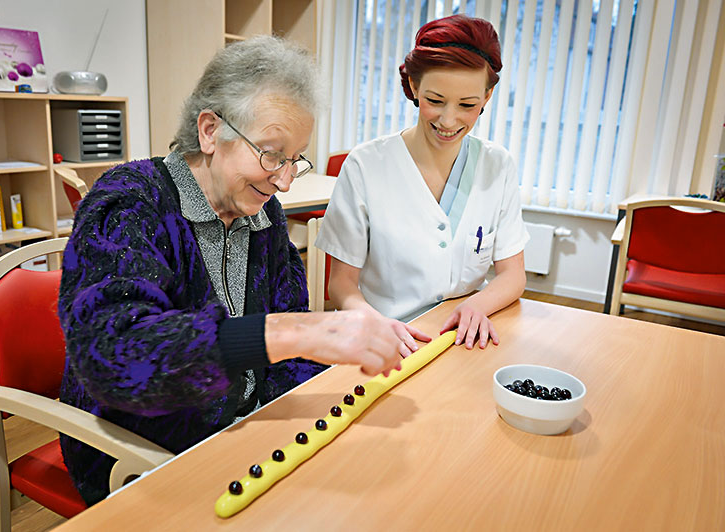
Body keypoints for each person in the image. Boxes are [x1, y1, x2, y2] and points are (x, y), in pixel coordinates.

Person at [58, 36, 405, 506]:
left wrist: (321, 419)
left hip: (246, 430)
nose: (283, 180)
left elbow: (291, 346)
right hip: (140, 450)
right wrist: (290, 333)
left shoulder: (264, 216)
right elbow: (114, 354)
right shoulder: (129, 204)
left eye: (293, 159)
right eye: (270, 153)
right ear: (209, 131)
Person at [316, 14, 528, 352]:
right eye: (435, 101)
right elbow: (341, 285)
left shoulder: (497, 165)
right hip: (385, 341)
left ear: (487, 96)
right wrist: (373, 323)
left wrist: (477, 306)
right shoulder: (367, 165)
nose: (448, 120)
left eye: (467, 105)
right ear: (414, 86)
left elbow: (513, 274)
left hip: (463, 340)